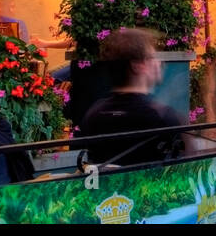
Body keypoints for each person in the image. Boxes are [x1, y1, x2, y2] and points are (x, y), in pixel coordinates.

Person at [78, 28, 184, 166]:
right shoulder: (161, 116)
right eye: (152, 57)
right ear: (137, 65)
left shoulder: (94, 114)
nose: (159, 62)